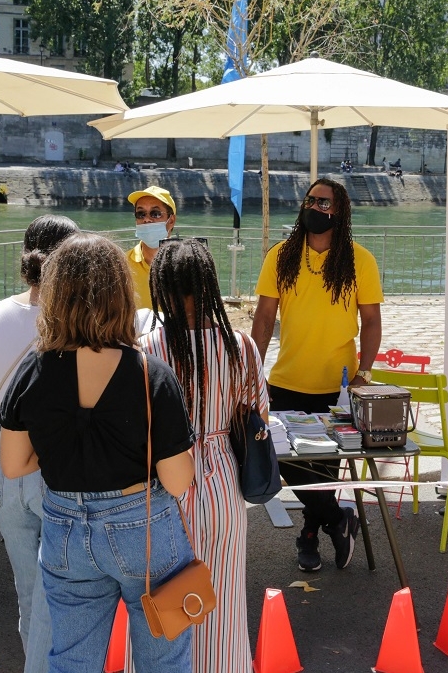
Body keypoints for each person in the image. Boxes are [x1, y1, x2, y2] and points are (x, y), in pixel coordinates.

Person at [0, 233, 197, 672]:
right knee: (165, 658)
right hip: (143, 527)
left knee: (72, 659)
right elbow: (178, 480)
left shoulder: (33, 368)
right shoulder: (151, 374)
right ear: (120, 294)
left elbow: (14, 464)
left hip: (65, 529)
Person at [141, 240, 268, 673]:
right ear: (209, 284)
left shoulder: (146, 349)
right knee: (225, 602)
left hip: (164, 488)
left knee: (164, 606)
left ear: (162, 288)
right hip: (224, 485)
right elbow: (257, 416)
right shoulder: (241, 347)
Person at [250, 178, 383, 572]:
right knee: (286, 464)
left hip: (337, 388)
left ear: (339, 211)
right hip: (285, 383)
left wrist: (365, 373)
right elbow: (262, 320)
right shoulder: (281, 256)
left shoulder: (361, 260)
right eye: (310, 200)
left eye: (324, 202)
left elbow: (372, 321)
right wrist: (250, 371)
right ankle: (339, 519)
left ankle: (310, 535)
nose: (315, 206)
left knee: (323, 471)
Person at [0, 215, 79, 673]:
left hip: (4, 459)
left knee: (29, 591)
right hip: (50, 461)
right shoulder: (69, 323)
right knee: (56, 593)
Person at [126, 185, 177, 310]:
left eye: (155, 213)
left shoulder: (187, 265)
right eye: (140, 214)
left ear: (171, 221)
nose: (147, 219)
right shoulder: (122, 265)